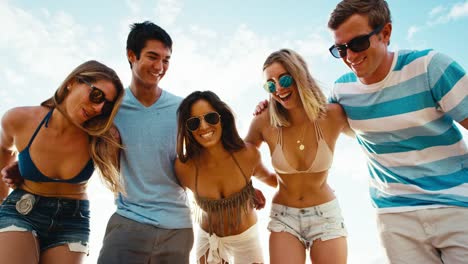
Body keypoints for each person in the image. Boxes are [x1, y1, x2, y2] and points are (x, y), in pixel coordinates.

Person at [327, 0, 468, 263]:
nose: (351, 57)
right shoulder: (341, 92)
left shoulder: (430, 66)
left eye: (358, 44)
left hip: (458, 205)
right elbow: (307, 124)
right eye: (340, 49)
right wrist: (270, 105)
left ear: (386, 33)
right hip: (395, 217)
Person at [0, 60, 124, 264]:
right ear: (72, 82)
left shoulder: (102, 137)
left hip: (73, 220)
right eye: (97, 95)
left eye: (107, 105)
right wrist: (16, 170)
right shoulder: (19, 119)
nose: (98, 108)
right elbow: (4, 150)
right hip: (21, 210)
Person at [96, 21, 194, 263]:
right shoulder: (112, 107)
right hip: (129, 220)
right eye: (153, 57)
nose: (160, 66)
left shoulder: (182, 109)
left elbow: (213, 153)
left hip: (177, 227)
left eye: (166, 59)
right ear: (132, 55)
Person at [245, 48, 350, 264]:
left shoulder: (333, 115)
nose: (279, 89)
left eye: (284, 79)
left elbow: (370, 133)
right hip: (284, 218)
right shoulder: (264, 121)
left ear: (299, 75)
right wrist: (246, 187)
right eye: (271, 84)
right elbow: (240, 156)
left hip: (326, 216)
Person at [175, 90, 277, 264]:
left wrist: (274, 109)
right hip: (209, 240)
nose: (204, 126)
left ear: (222, 118)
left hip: (246, 241)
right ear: (187, 129)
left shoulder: (247, 155)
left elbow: (277, 181)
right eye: (193, 123)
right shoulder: (184, 168)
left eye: (210, 118)